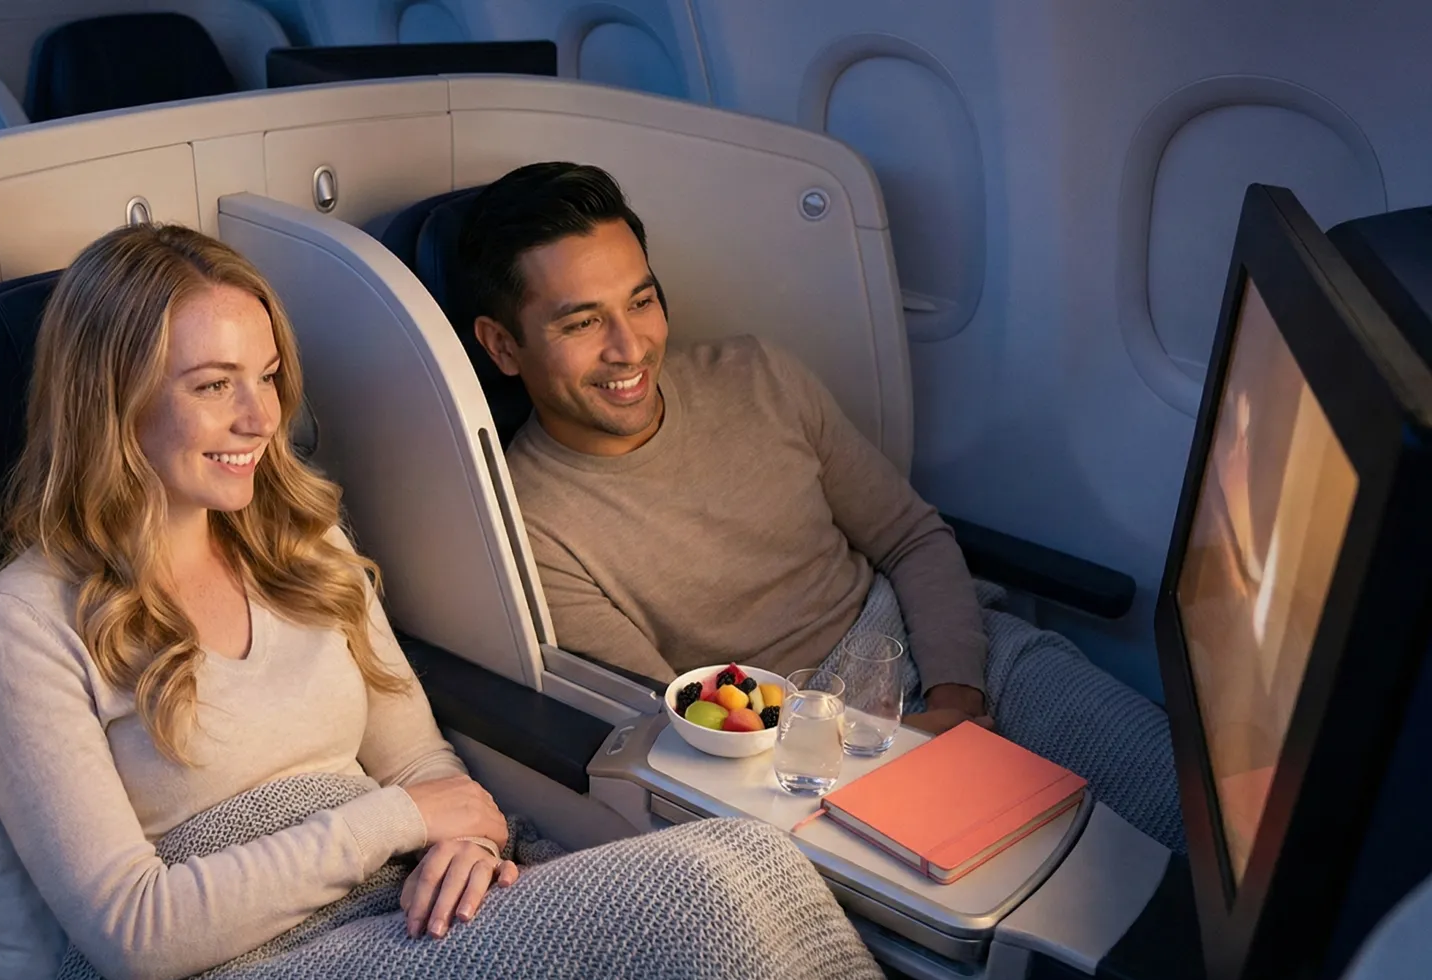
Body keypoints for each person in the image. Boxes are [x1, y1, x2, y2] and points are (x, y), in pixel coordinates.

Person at [0, 222, 920, 980]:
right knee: (692, 906)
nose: (262, 417)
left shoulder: (299, 542)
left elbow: (419, 763)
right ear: (110, 404)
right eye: (213, 386)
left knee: (755, 858)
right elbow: (134, 932)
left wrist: (463, 837)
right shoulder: (18, 624)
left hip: (391, 905)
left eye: (269, 376)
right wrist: (406, 824)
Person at [461, 162, 1184, 851]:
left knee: (1211, 826)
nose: (630, 347)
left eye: (642, 301)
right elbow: (683, 727)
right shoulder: (531, 525)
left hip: (946, 650)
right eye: (582, 322)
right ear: (503, 345)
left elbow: (911, 539)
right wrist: (883, 751)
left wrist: (958, 700)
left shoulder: (758, 376)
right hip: (802, 758)